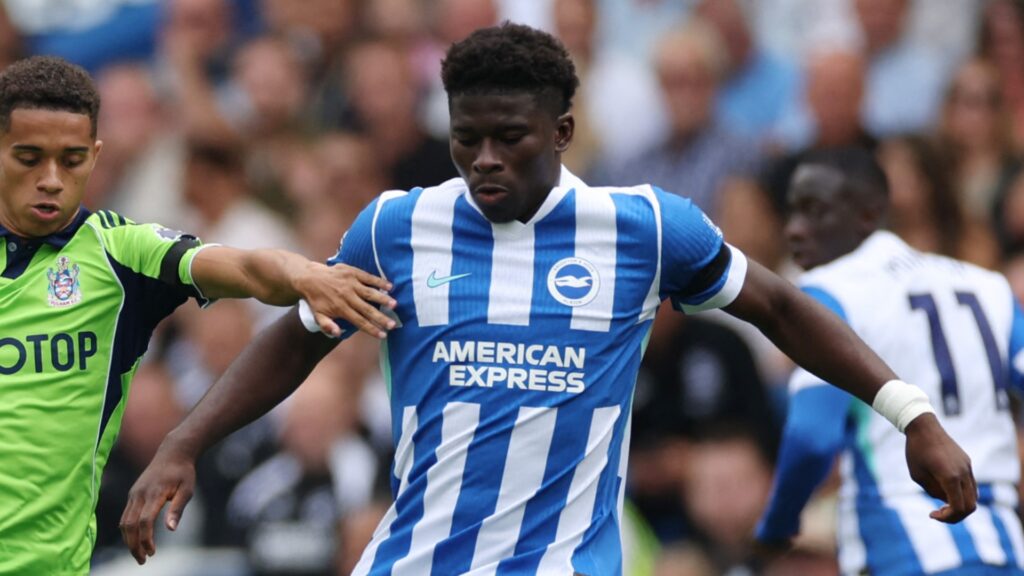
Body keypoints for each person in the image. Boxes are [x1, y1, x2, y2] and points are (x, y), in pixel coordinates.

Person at [122, 24, 976, 575]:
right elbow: (297, 338)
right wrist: (185, 441)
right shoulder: (395, 226)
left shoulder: (644, 229)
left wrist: (913, 416)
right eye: (467, 139)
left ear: (563, 132)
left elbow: (784, 313)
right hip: (414, 559)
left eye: (510, 138)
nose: (484, 158)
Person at [0, 55, 396, 575]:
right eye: (29, 158)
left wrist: (304, 275)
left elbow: (245, 268)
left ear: (96, 156)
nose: (51, 179)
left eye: (71, 160)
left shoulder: (118, 253)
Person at [756, 147, 1024, 575]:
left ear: (868, 214)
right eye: (792, 214)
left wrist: (777, 523)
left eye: (815, 212)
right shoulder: (987, 286)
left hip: (903, 548)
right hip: (1004, 549)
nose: (795, 230)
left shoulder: (828, 292)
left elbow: (811, 437)